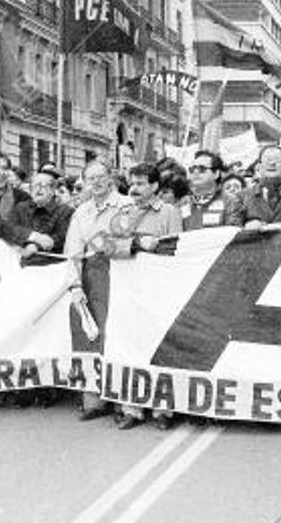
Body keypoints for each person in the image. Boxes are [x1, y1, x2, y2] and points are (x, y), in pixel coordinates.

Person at [112, 163, 183, 429]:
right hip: (130, 290)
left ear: (154, 186)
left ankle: (162, 409)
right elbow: (107, 245)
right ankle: (132, 408)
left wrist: (155, 248)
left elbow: (176, 246)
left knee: (160, 349)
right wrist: (135, 243)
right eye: (132, 183)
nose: (134, 188)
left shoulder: (169, 212)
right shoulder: (123, 212)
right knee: (132, 348)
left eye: (141, 183)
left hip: (158, 289)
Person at [63, 160, 134, 422]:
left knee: (118, 334)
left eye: (100, 176)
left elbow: (128, 239)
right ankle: (93, 399)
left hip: (119, 272)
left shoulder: (126, 204)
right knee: (89, 333)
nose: (96, 182)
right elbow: (73, 252)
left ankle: (120, 399)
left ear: (110, 178)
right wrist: (75, 285)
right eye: (90, 178)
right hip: (91, 274)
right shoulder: (81, 212)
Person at [225, 145, 281, 230]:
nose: (272, 163)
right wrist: (245, 228)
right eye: (267, 160)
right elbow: (229, 231)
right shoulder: (242, 197)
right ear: (258, 166)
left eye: (277, 160)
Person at [7, 170, 73, 260]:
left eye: (43, 186)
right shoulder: (21, 207)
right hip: (21, 261)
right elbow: (11, 228)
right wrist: (32, 236)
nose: (38, 189)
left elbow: (61, 236)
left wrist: (36, 246)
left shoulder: (65, 211)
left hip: (51, 263)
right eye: (35, 186)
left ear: (53, 191)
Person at [179, 150, 230, 230]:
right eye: (192, 169)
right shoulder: (183, 203)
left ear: (216, 174)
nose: (196, 172)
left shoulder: (230, 202)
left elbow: (233, 235)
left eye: (202, 169)